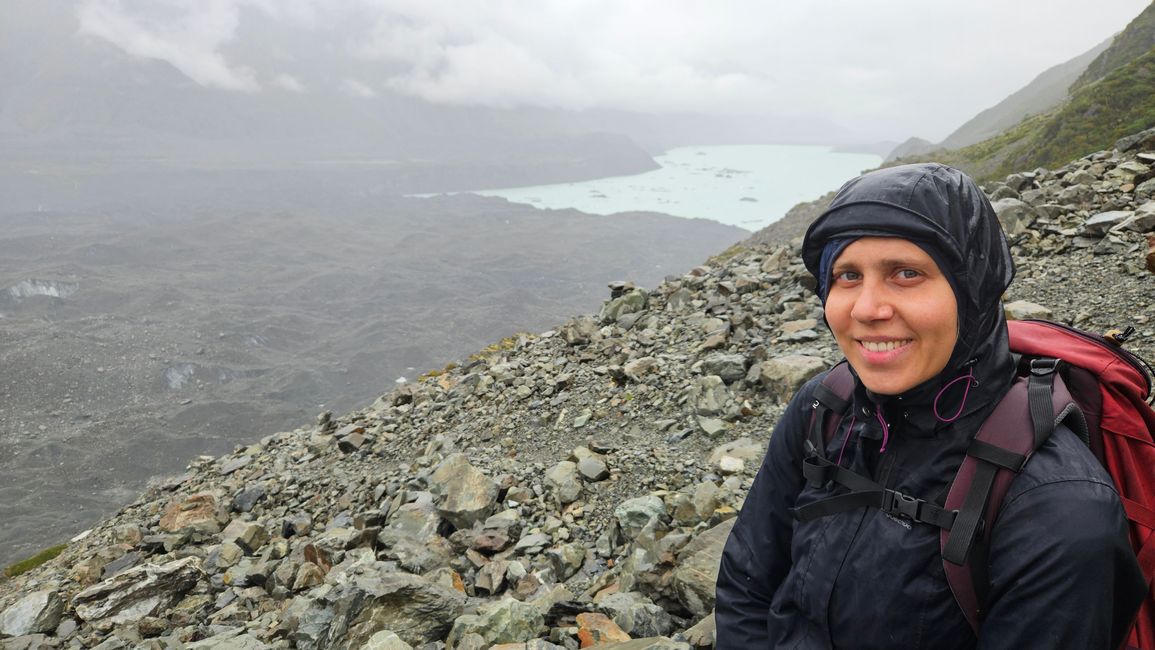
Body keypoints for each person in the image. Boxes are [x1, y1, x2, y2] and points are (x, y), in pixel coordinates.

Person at [714, 163, 1145, 649]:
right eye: (847, 275)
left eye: (906, 273)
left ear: (973, 290)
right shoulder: (823, 406)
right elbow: (746, 584)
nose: (866, 309)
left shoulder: (1059, 508)